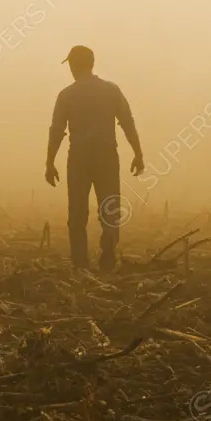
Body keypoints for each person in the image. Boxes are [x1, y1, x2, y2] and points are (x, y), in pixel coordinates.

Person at [45, 46, 144, 271]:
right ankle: (108, 249)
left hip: (79, 158)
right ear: (92, 63)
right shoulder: (111, 91)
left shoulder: (67, 95)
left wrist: (49, 162)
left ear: (72, 65)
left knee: (77, 213)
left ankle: (80, 264)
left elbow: (57, 130)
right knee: (110, 209)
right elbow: (128, 122)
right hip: (107, 155)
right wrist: (138, 153)